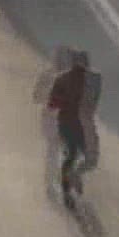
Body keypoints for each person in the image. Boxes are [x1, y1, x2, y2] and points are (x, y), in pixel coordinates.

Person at [45, 49, 101, 209]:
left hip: (76, 123)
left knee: (80, 157)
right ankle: (67, 187)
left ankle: (71, 179)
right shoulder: (92, 79)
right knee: (75, 155)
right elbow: (53, 103)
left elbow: (52, 104)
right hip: (73, 123)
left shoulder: (89, 79)